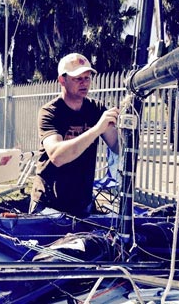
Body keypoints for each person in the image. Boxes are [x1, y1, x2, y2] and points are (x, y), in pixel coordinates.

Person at [29, 53, 119, 217]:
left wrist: (129, 126)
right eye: (78, 78)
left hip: (82, 204)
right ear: (62, 80)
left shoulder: (96, 109)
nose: (84, 83)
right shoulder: (50, 112)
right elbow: (57, 156)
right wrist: (96, 129)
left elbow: (118, 146)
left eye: (87, 78)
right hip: (49, 206)